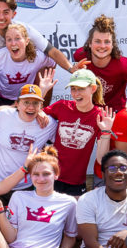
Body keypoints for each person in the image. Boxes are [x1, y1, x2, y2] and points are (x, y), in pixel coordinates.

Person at [0, 84, 57, 222]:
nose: (31, 107)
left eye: (35, 103)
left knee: (18, 229)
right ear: (17, 103)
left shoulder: (49, 125)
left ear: (41, 105)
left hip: (23, 186)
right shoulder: (3, 116)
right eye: (26, 102)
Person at [43, 69, 114, 197]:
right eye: (73, 89)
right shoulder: (61, 106)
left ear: (93, 88)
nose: (76, 93)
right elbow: (32, 117)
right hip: (50, 177)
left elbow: (101, 158)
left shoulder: (100, 116)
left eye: (81, 89)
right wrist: (42, 92)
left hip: (76, 183)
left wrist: (106, 132)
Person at [0, 0, 76, 76]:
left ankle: (41, 104)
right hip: (0, 79)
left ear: (13, 14)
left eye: (6, 12)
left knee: (47, 67)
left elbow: (52, 51)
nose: (1, 17)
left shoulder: (25, 29)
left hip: (25, 75)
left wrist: (71, 69)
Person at [73, 14, 127, 111]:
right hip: (88, 110)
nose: (102, 46)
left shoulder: (122, 65)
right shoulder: (80, 56)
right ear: (89, 43)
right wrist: (76, 72)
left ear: (112, 44)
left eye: (107, 42)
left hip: (114, 113)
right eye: (97, 41)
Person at [0, 23, 56, 105]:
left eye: (17, 38)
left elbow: (53, 63)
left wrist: (39, 85)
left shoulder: (38, 56)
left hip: (27, 96)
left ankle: (42, 111)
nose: (13, 43)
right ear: (5, 43)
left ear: (26, 41)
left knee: (46, 75)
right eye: (9, 40)